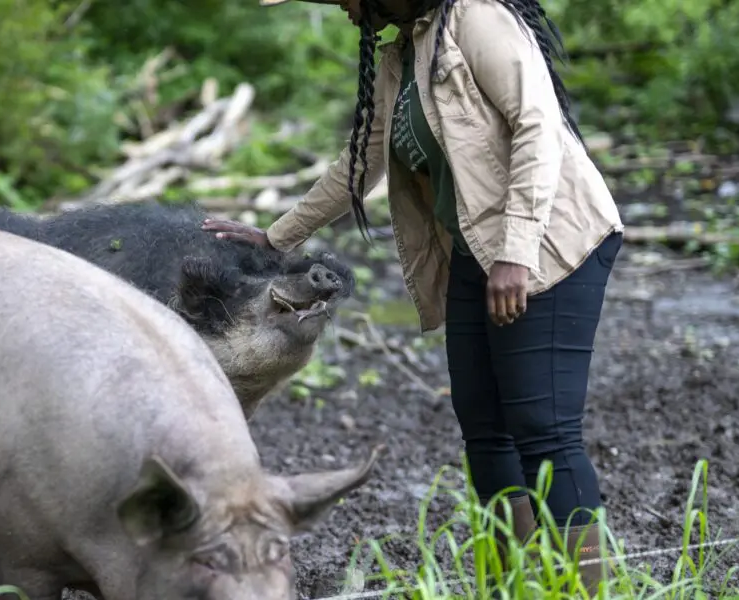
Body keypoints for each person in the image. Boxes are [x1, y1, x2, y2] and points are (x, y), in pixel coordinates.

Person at [205, 0, 625, 589]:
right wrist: (278, 237)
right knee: (483, 425)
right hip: (480, 252)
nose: (349, 11)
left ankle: (588, 589)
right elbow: (363, 159)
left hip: (552, 242)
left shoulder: (476, 19)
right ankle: (515, 583)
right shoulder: (402, 56)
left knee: (543, 427)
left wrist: (516, 251)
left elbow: (537, 125)